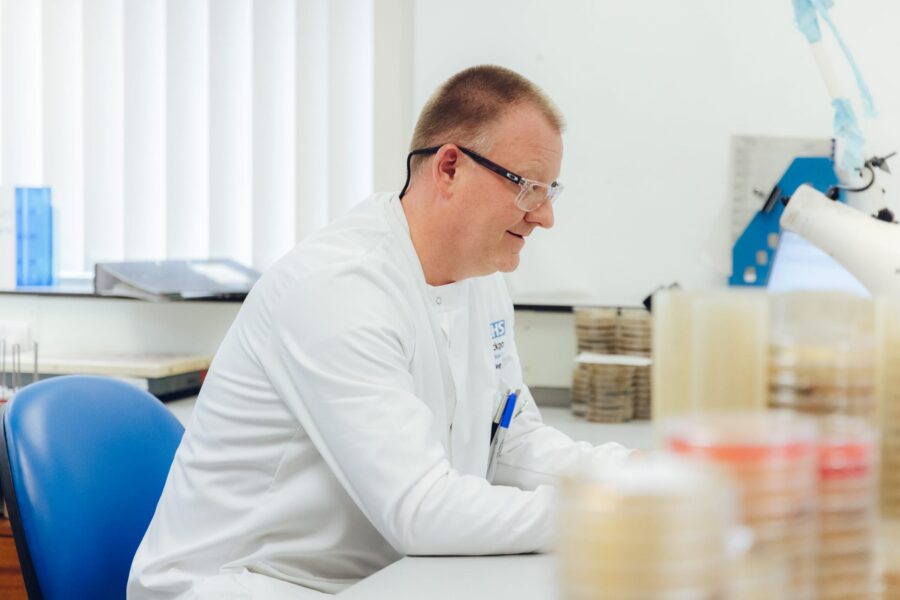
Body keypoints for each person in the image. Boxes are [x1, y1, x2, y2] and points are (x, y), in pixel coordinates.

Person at [128, 65, 633, 599]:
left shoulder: (478, 282)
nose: (545, 216)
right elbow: (420, 509)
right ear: (450, 168)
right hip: (239, 585)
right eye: (529, 187)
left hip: (373, 579)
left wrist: (636, 474)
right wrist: (609, 514)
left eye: (550, 190)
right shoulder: (339, 287)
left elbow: (511, 443)